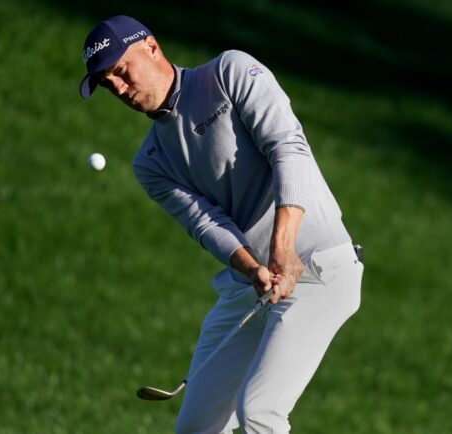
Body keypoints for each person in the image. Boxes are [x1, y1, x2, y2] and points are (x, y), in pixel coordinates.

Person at [79, 15, 364, 434]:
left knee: (261, 412)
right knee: (195, 428)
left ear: (152, 48)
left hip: (320, 265)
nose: (119, 89)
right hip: (252, 286)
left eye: (121, 71)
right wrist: (254, 268)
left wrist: (282, 249)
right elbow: (205, 224)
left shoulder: (229, 72)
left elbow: (288, 148)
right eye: (107, 84)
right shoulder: (150, 162)